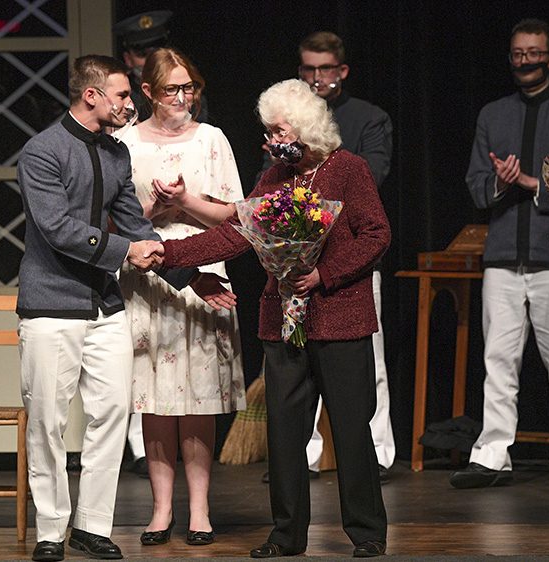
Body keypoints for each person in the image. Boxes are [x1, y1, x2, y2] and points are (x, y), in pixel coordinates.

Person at [15, 54, 233, 562]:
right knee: (47, 420)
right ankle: (51, 530)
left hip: (106, 306)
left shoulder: (115, 155)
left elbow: (137, 227)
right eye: (121, 96)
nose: (129, 104)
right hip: (52, 306)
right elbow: (57, 228)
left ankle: (92, 526)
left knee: (111, 415)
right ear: (91, 95)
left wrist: (187, 275)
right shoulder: (42, 151)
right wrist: (125, 253)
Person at [160, 79, 390, 558]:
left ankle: (367, 533)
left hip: (340, 320)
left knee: (350, 429)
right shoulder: (273, 179)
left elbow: (376, 235)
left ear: (304, 128)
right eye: (267, 133)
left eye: (278, 130)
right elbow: (235, 236)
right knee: (284, 434)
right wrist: (168, 253)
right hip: (283, 323)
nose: (270, 141)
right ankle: (286, 535)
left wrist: (324, 274)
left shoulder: (348, 169)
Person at [449, 19, 549, 492]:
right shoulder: (493, 114)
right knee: (498, 359)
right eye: (517, 53)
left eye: (534, 53)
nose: (525, 60)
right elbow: (475, 185)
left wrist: (533, 184)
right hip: (503, 256)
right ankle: (492, 456)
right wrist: (500, 182)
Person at [115, 47, 245, 547]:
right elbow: (117, 222)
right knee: (156, 400)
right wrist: (155, 205)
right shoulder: (124, 143)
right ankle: (161, 508)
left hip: (205, 277)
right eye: (172, 89)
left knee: (198, 398)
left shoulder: (211, 139)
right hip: (148, 281)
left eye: (189, 87)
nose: (183, 97)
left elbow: (236, 215)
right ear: (147, 92)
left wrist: (186, 201)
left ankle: (200, 509)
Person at [260, 30, 395, 484]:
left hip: (342, 280)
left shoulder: (359, 137)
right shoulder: (278, 167)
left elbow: (372, 217)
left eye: (324, 69)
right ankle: (307, 465)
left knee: (357, 391)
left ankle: (375, 456)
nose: (317, 78)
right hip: (293, 290)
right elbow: (248, 221)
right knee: (292, 407)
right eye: (308, 70)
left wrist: (324, 268)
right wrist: (169, 252)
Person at [113, 10, 209, 124]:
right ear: (128, 59)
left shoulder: (189, 94)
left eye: (157, 53)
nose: (151, 61)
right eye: (143, 54)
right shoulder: (122, 96)